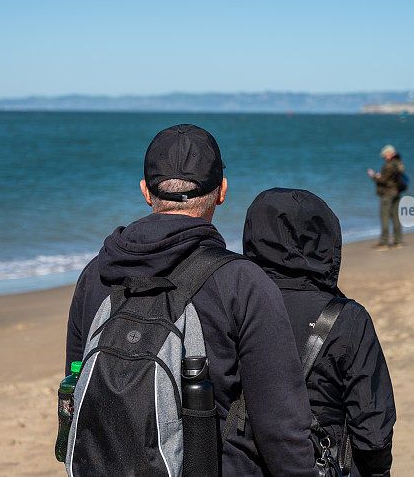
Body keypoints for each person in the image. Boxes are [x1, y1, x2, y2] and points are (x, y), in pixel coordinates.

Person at [65, 124, 316, 475]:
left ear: (146, 192)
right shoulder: (243, 283)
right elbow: (282, 427)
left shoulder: (97, 274)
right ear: (222, 191)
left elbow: (75, 390)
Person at [243, 188, 396, 477]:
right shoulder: (348, 317)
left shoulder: (232, 302)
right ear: (326, 241)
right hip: (319, 462)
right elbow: (373, 431)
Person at [367, 145, 405, 250]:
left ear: (390, 154)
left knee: (385, 217)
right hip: (396, 192)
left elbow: (383, 180)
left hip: (387, 193)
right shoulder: (399, 163)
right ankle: (398, 241)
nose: (384, 157)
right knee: (396, 217)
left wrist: (374, 176)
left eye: (385, 155)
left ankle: (384, 242)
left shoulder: (388, 165)